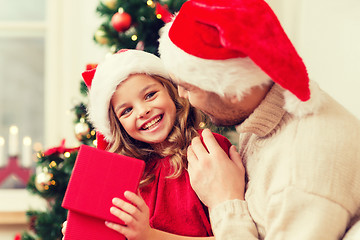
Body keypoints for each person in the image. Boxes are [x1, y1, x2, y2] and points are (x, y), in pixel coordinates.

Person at [158, 0, 360, 239]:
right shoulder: (262, 105)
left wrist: (224, 202)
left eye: (188, 87)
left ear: (231, 91)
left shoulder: (300, 179)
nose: (182, 96)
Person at [62, 49, 242, 240]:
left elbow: (235, 234)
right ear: (119, 127)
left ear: (172, 91)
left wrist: (149, 236)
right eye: (127, 110)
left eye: (149, 95)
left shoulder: (208, 150)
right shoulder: (122, 177)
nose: (142, 111)